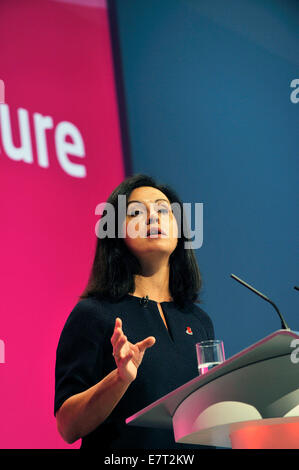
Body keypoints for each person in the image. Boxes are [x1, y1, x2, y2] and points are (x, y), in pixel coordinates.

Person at [54, 173, 215, 449]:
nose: (154, 217)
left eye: (164, 210)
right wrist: (119, 378)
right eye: (137, 212)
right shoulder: (94, 314)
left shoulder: (199, 322)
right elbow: (68, 427)